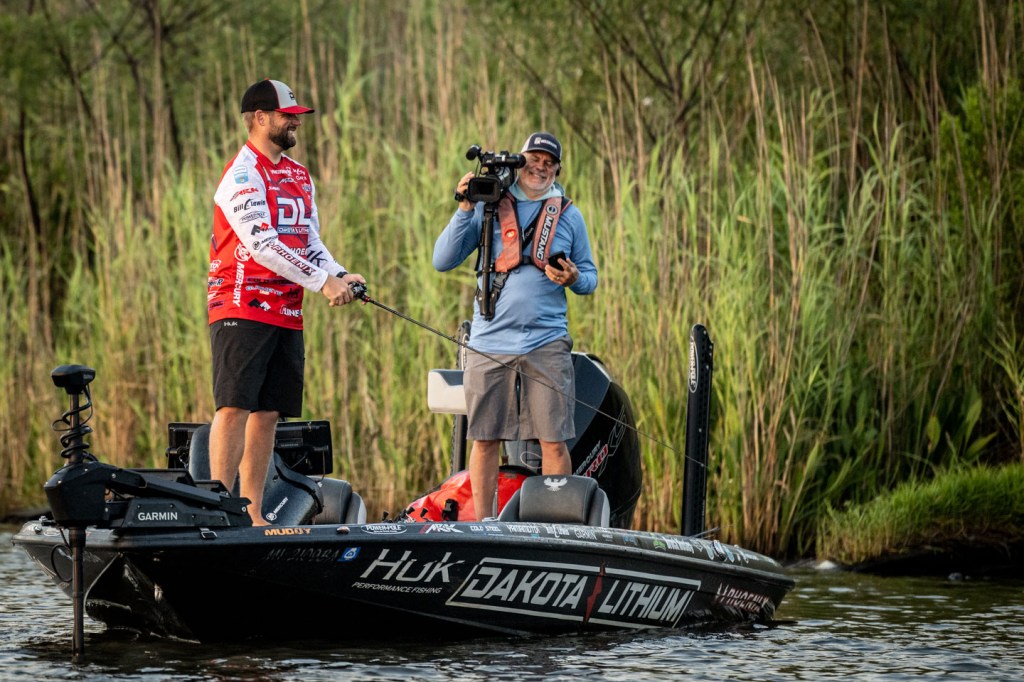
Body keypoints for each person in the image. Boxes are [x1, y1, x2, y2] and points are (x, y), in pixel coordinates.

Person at [207, 78, 364, 525]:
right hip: (241, 304)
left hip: (287, 309)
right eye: (286, 116)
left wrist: (338, 273)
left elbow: (307, 239)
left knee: (269, 413)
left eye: (296, 116)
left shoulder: (298, 174)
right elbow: (262, 244)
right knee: (235, 406)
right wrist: (321, 283)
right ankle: (217, 512)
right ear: (260, 118)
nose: (295, 122)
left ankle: (254, 515)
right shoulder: (241, 174)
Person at [433, 132, 598, 520]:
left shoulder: (569, 214)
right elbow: (442, 260)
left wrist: (574, 278)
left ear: (558, 170)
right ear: (520, 163)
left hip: (547, 342)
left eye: (549, 162)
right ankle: (485, 524)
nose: (540, 167)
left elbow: (590, 279)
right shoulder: (489, 206)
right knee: (485, 438)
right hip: (490, 340)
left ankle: (556, 524)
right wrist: (465, 206)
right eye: (533, 159)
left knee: (553, 440)